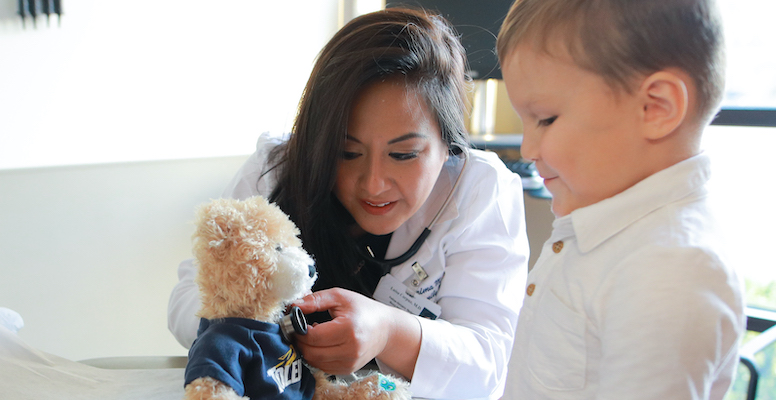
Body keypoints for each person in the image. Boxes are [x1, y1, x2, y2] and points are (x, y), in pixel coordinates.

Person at [168, 8, 529, 400]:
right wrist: (271, 329)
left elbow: (488, 368)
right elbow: (188, 298)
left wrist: (389, 332)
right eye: (346, 152)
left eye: (404, 154)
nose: (373, 184)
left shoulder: (480, 189)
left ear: (448, 145)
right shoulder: (277, 166)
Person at [496, 0, 745, 399]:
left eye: (545, 119)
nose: (528, 149)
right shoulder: (603, 226)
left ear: (655, 107)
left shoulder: (667, 272)